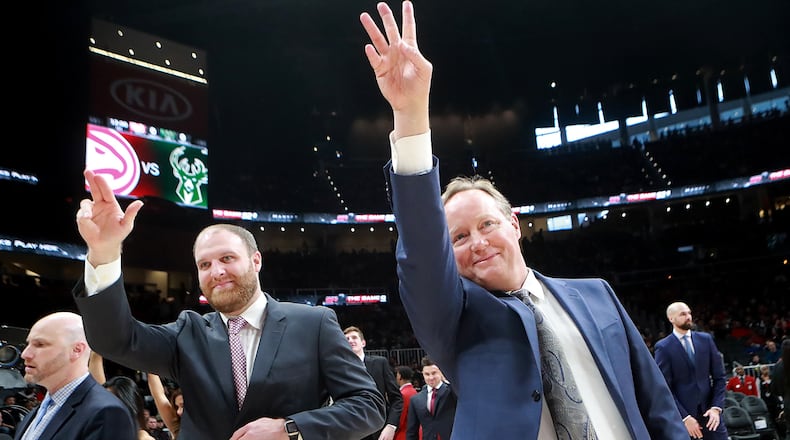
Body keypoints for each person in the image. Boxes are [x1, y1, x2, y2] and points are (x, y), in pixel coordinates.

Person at [358, 1, 688, 438]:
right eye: (457, 237)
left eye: (486, 225)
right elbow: (420, 246)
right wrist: (411, 114)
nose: (477, 242)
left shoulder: (597, 296)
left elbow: (657, 407)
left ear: (514, 224)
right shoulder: (453, 319)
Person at [73, 171, 386, 440]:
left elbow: (368, 405)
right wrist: (105, 253)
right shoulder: (187, 332)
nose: (216, 272)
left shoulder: (313, 323)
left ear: (255, 261)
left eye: (226, 258)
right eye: (205, 264)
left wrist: (290, 429)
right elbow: (114, 340)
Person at [14, 311, 136, 440]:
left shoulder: (107, 413)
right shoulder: (36, 413)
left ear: (77, 350)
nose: (25, 354)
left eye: (40, 344)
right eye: (28, 344)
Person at [654, 301, 728, 439]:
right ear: (671, 318)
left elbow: (720, 378)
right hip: (684, 419)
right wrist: (684, 418)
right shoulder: (664, 347)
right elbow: (664, 388)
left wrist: (716, 408)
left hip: (710, 415)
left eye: (689, 313)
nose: (688, 316)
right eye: (683, 314)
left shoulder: (706, 339)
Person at [344, 326, 403, 440]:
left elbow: (396, 399)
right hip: (352, 431)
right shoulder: (340, 369)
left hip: (380, 431)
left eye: (354, 337)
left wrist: (391, 426)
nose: (350, 340)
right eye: (347, 339)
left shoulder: (380, 363)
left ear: (363, 343)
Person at [405, 357, 455, 440]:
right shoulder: (416, 399)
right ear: (423, 374)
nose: (431, 377)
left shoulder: (451, 392)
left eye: (434, 373)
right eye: (427, 374)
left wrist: (447, 380)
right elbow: (411, 431)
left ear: (441, 372)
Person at [146, 373, 181, 439]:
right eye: (176, 407)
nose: (178, 411)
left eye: (182, 406)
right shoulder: (177, 428)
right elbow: (158, 394)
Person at [394, 366, 417, 440]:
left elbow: (400, 418)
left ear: (400, 376)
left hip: (403, 434)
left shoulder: (403, 394)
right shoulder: (414, 391)